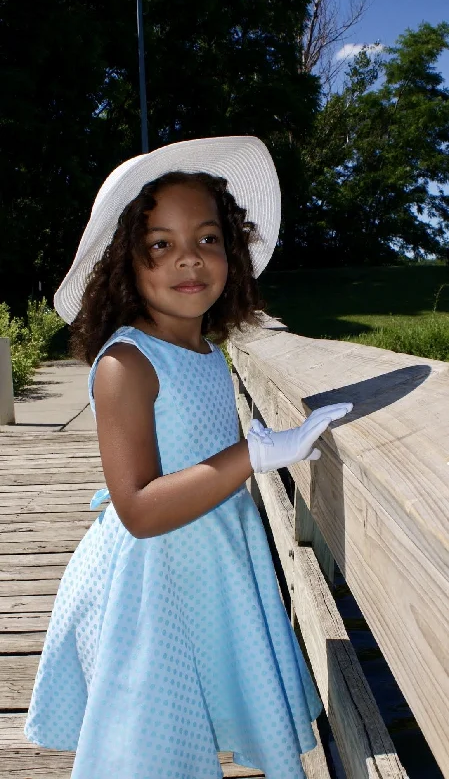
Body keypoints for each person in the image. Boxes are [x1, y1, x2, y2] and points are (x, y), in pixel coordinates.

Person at [23, 136, 352, 779]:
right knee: (155, 741)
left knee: (206, 708)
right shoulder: (127, 362)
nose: (188, 260)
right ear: (127, 261)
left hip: (213, 559)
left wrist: (250, 450)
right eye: (160, 245)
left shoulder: (208, 352)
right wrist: (256, 453)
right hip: (153, 578)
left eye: (207, 239)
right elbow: (140, 510)